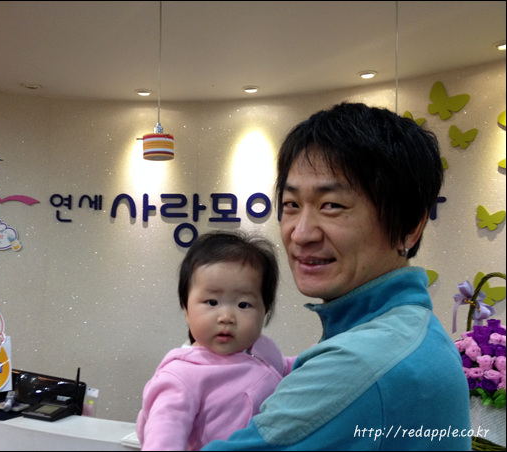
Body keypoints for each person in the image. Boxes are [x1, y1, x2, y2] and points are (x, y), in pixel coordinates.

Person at [203, 102, 471, 450]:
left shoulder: (361, 361)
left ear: (410, 225)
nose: (301, 233)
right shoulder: (415, 331)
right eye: (291, 205)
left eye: (332, 205)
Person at [136, 230, 296, 451]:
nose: (226, 317)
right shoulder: (181, 376)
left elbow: (285, 368)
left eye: (243, 305)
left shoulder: (263, 348)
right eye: (212, 302)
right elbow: (163, 438)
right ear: (186, 308)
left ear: (265, 310)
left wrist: (322, 355)